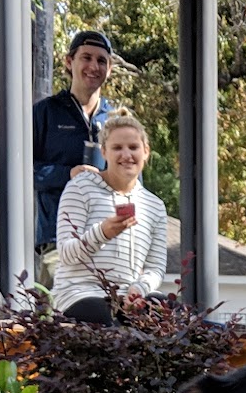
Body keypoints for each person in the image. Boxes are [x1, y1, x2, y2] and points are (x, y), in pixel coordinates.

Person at [50, 111, 170, 324]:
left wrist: (139, 289)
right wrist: (102, 233)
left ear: (146, 152)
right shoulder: (80, 188)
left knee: (169, 314)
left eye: (133, 147)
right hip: (80, 294)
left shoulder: (154, 206)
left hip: (128, 295)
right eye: (117, 148)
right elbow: (66, 254)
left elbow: (156, 267)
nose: (126, 155)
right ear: (104, 152)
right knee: (109, 321)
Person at [33, 30, 115, 276]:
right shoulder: (45, 113)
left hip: (110, 242)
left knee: (109, 313)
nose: (94, 66)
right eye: (86, 58)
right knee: (60, 312)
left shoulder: (117, 119)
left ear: (109, 69)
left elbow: (135, 184)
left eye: (101, 61)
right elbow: (23, 171)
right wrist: (68, 174)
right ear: (69, 62)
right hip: (60, 239)